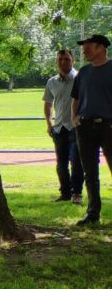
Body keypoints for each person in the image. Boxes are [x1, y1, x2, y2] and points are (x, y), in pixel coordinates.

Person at [70, 34, 112, 226]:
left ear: (101, 48)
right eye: (84, 47)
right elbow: (76, 98)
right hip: (85, 127)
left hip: (108, 126)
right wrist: (74, 118)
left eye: (88, 47)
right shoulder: (84, 72)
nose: (84, 51)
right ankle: (93, 212)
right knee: (90, 172)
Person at [43, 49, 83, 204]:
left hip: (76, 127)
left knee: (76, 162)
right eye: (60, 59)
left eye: (66, 59)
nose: (63, 62)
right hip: (59, 128)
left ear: (73, 60)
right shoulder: (51, 82)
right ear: (56, 61)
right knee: (61, 164)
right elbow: (47, 104)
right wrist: (49, 123)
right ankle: (65, 193)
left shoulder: (81, 78)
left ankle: (77, 194)